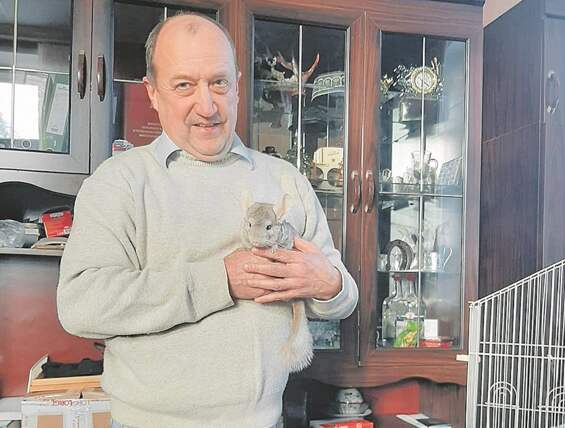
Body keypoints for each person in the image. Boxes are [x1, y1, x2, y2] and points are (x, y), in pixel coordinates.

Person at [56, 12, 358, 428]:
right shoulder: (119, 181)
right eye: (184, 85)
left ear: (237, 86)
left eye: (219, 83)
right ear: (153, 92)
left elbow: (343, 297)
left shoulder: (285, 179)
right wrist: (221, 280)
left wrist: (329, 284)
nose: (207, 106)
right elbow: (81, 305)